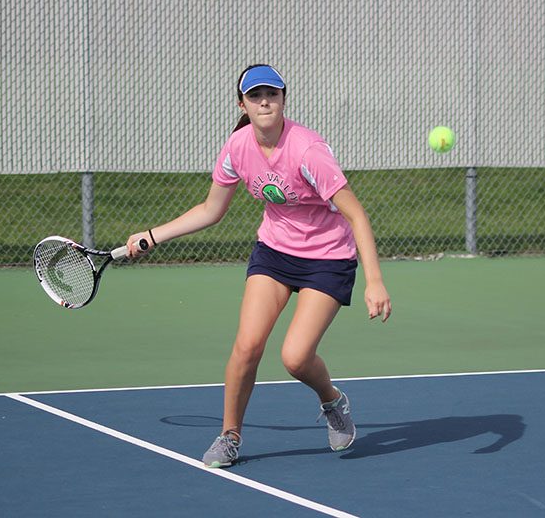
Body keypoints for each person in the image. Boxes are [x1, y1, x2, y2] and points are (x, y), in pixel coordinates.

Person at [126, 64, 392, 469]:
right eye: (255, 96)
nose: (265, 101)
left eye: (272, 94)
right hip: (274, 251)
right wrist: (153, 235)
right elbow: (211, 209)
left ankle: (332, 400)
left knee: (296, 358)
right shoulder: (237, 147)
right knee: (247, 345)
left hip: (327, 258)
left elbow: (357, 216)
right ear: (242, 104)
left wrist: (374, 281)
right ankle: (229, 436)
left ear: (284, 100)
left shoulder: (308, 151)